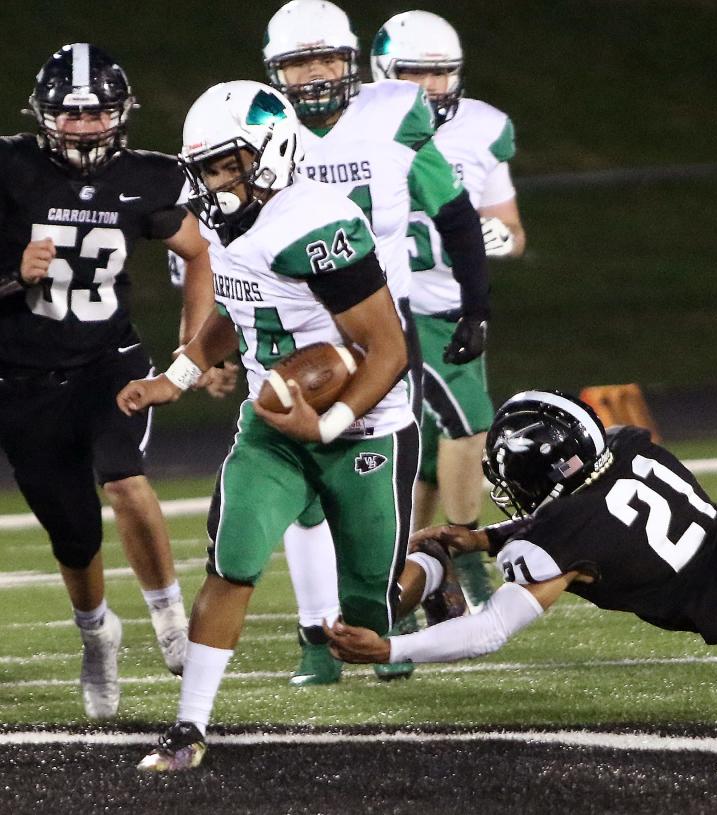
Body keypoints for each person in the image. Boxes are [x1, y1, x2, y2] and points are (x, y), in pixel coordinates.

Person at [123, 80, 434, 772]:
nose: (213, 182)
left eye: (227, 165)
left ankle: (430, 574)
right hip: (272, 422)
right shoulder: (231, 226)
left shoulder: (316, 223)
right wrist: (174, 377)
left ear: (269, 153)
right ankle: (188, 728)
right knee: (233, 558)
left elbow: (387, 350)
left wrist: (326, 426)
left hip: (365, 429)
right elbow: (237, 309)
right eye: (206, 168)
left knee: (366, 620)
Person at [327, 390, 717, 683]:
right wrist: (488, 538)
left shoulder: (552, 546)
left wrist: (389, 652)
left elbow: (491, 629)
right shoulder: (629, 445)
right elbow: (607, 513)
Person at [262, 0, 491, 684]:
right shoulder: (257, 130)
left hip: (381, 336)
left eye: (329, 56)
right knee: (301, 486)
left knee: (376, 489)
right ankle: (314, 639)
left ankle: (381, 620)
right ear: (275, 71)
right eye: (300, 60)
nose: (317, 73)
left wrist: (476, 303)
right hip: (295, 335)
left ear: (353, 59)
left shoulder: (391, 116)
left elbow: (453, 211)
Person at [0, 43, 213, 719]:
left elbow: (202, 254)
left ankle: (173, 625)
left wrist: (192, 353)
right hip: (22, 379)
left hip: (108, 363)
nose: (86, 125)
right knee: (73, 536)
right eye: (72, 112)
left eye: (98, 114)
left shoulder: (148, 178)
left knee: (125, 476)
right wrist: (11, 273)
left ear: (120, 114)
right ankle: (97, 635)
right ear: (46, 114)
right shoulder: (9, 168)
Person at [372, 10, 526, 608]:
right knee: (466, 425)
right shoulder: (362, 124)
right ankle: (461, 557)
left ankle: (416, 562)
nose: (432, 87)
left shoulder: (484, 129)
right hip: (384, 307)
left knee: (434, 454)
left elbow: (512, 231)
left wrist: (488, 240)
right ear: (386, 71)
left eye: (442, 74)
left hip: (451, 306)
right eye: (417, 73)